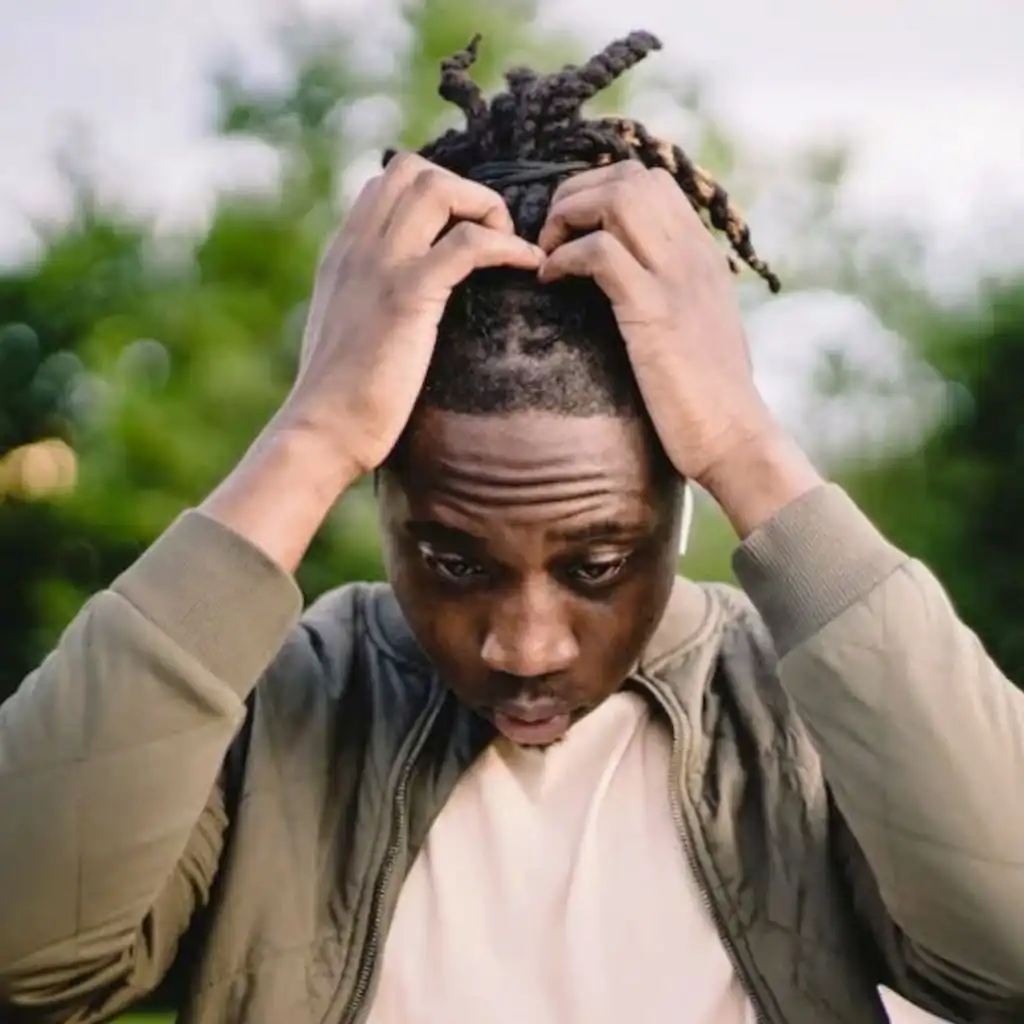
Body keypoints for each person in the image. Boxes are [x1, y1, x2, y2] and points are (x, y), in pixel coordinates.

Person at [0, 29, 1022, 1024]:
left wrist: (745, 441)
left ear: (679, 500)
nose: (525, 647)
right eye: (454, 561)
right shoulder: (272, 709)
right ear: (378, 494)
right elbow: (25, 960)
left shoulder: (807, 714)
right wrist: (309, 434)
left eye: (598, 564)